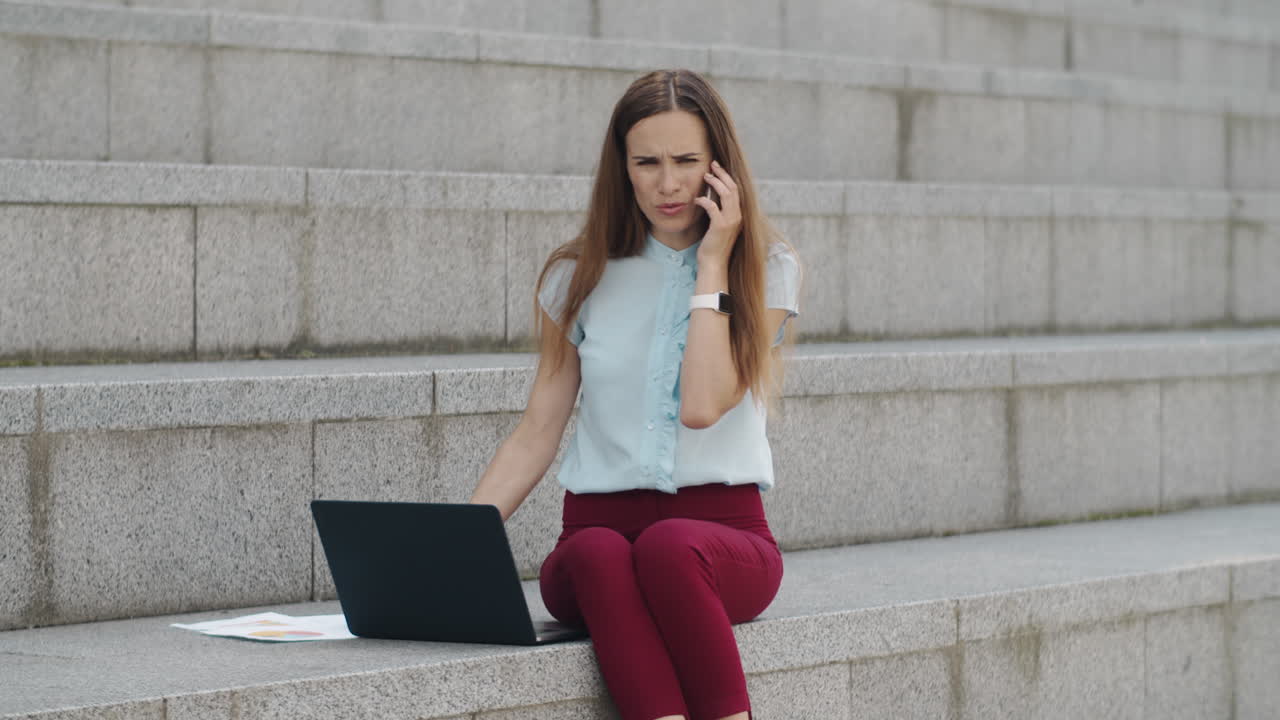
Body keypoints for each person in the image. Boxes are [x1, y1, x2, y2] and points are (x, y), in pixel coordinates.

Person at [469, 68, 803, 720]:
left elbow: (704, 404)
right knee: (599, 553)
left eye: (686, 161)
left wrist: (713, 263)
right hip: (594, 543)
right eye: (646, 162)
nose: (668, 183)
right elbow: (538, 431)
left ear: (719, 166)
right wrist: (454, 542)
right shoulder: (578, 275)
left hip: (719, 546)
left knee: (668, 547)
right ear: (621, 168)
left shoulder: (767, 268)